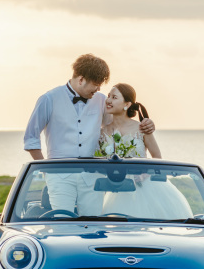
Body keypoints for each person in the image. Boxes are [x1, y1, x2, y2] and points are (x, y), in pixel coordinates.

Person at [23, 55, 154, 214]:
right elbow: (31, 138)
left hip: (93, 177)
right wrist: (47, 170)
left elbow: (117, 127)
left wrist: (145, 124)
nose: (98, 89)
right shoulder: (48, 99)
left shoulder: (101, 101)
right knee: (62, 221)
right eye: (96, 85)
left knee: (94, 222)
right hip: (59, 176)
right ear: (81, 80)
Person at [98, 83, 193, 219]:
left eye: (114, 97)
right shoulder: (103, 132)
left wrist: (144, 173)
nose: (108, 100)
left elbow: (157, 157)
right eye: (108, 96)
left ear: (127, 104)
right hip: (116, 190)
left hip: (145, 187)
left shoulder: (142, 128)